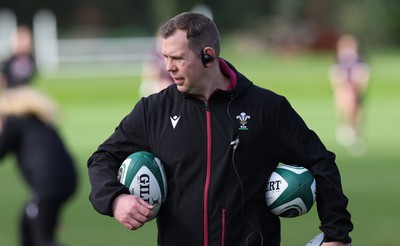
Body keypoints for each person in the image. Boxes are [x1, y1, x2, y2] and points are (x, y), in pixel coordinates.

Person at [88, 12, 353, 245]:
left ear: (208, 56)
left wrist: (336, 235)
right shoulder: (154, 110)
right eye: (165, 57)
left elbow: (321, 162)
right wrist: (116, 199)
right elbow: (103, 158)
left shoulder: (267, 109)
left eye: (177, 58)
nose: (168, 68)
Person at [0, 26, 77, 246]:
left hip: (49, 186)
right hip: (64, 181)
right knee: (27, 224)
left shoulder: (15, 123)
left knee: (42, 238)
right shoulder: (39, 121)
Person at [329, 34, 370, 155]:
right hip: (343, 88)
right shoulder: (338, 59)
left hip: (355, 88)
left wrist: (357, 89)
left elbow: (363, 76)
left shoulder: (359, 59)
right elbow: (335, 76)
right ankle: (346, 128)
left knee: (356, 111)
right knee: (344, 104)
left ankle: (355, 133)